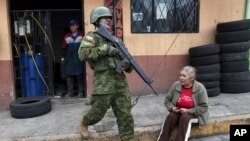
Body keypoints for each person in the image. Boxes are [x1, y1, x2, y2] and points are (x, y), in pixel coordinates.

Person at [78, 6, 134, 141]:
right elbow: (83, 54)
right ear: (97, 20)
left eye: (110, 18)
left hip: (120, 82)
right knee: (98, 111)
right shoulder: (91, 37)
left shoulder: (117, 40)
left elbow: (129, 63)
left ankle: (127, 138)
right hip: (103, 82)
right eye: (105, 18)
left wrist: (127, 63)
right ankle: (84, 123)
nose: (109, 21)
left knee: (125, 113)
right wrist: (105, 49)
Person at [157, 66, 209, 141]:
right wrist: (172, 108)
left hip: (194, 114)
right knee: (171, 116)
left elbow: (204, 107)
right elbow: (167, 100)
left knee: (185, 118)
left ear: (191, 78)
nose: (181, 78)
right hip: (178, 111)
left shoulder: (200, 88)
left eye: (184, 76)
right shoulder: (176, 85)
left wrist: (188, 111)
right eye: (180, 75)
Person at [62, 19, 84, 98]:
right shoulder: (67, 36)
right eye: (71, 25)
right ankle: (70, 93)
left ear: (77, 26)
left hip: (79, 59)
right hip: (70, 60)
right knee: (69, 77)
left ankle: (80, 92)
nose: (72, 27)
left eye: (74, 25)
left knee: (79, 77)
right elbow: (64, 48)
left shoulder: (82, 35)